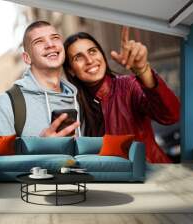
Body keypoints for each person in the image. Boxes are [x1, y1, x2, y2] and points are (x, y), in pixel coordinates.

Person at [63, 27, 180, 163]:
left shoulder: (127, 87)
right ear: (71, 70)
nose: (89, 60)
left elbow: (171, 115)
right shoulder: (74, 108)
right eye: (78, 57)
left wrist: (143, 71)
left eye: (92, 51)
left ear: (102, 54)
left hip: (150, 176)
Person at [0, 21, 81, 137]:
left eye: (55, 38)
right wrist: (41, 147)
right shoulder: (7, 103)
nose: (50, 44)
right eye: (39, 41)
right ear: (27, 58)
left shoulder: (80, 99)